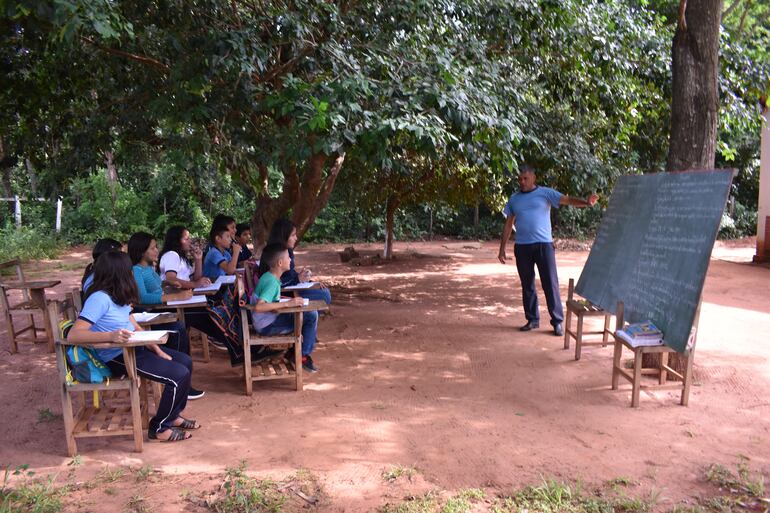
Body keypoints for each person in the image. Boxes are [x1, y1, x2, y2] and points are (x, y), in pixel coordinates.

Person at [67, 251, 200, 442]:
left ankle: (173, 416)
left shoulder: (117, 295)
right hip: (118, 356)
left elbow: (132, 324)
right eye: (128, 270)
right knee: (178, 375)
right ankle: (160, 428)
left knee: (185, 361)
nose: (132, 273)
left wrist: (156, 348)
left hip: (136, 347)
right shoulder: (99, 298)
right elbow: (74, 334)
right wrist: (111, 336)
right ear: (119, 273)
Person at [498, 165, 598, 336]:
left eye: (525, 179)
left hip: (544, 245)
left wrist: (586, 203)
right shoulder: (514, 199)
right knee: (527, 284)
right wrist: (502, 249)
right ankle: (532, 319)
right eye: (519, 179)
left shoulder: (545, 193)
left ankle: (557, 322)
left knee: (550, 283)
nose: (522, 182)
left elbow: (567, 200)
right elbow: (509, 224)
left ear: (533, 178)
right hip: (522, 247)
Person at [127, 232, 205, 400]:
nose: (157, 250)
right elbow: (142, 297)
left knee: (180, 327)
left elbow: (156, 289)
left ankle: (181, 377)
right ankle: (176, 377)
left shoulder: (149, 268)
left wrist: (168, 286)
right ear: (142, 252)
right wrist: (173, 297)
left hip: (158, 312)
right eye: (153, 248)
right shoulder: (136, 270)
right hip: (146, 315)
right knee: (178, 329)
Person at [158, 226, 249, 367]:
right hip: (176, 305)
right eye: (186, 238)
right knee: (215, 314)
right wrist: (194, 283)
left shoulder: (181, 256)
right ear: (176, 240)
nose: (190, 241)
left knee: (219, 311)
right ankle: (238, 351)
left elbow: (197, 278)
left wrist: (198, 260)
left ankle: (238, 350)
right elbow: (171, 279)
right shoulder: (171, 255)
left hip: (187, 301)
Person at [252, 243, 320, 373]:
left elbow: (271, 301)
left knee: (309, 314)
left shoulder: (269, 276)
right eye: (288, 257)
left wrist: (288, 301)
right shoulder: (272, 282)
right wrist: (287, 304)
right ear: (279, 263)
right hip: (267, 325)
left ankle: (295, 352)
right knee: (311, 315)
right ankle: (301, 355)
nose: (290, 260)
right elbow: (259, 307)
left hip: (268, 320)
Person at [264, 218, 332, 306]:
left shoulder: (287, 250)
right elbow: (275, 282)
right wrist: (297, 279)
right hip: (283, 294)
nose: (296, 238)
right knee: (324, 295)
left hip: (291, 289)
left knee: (324, 292)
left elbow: (289, 274)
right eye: (293, 235)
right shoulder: (275, 254)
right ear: (284, 236)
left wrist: (306, 280)